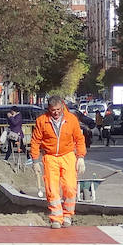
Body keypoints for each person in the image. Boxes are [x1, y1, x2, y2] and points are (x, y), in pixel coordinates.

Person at [29, 95, 87, 228]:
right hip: (50, 157)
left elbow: (79, 139)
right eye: (53, 110)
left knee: (70, 186)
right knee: (52, 188)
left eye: (58, 109)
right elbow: (35, 141)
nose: (56, 112)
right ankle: (56, 217)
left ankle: (67, 215)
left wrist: (81, 157)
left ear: (62, 107)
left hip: (67, 155)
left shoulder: (71, 120)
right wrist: (35, 161)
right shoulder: (42, 121)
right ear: (48, 109)